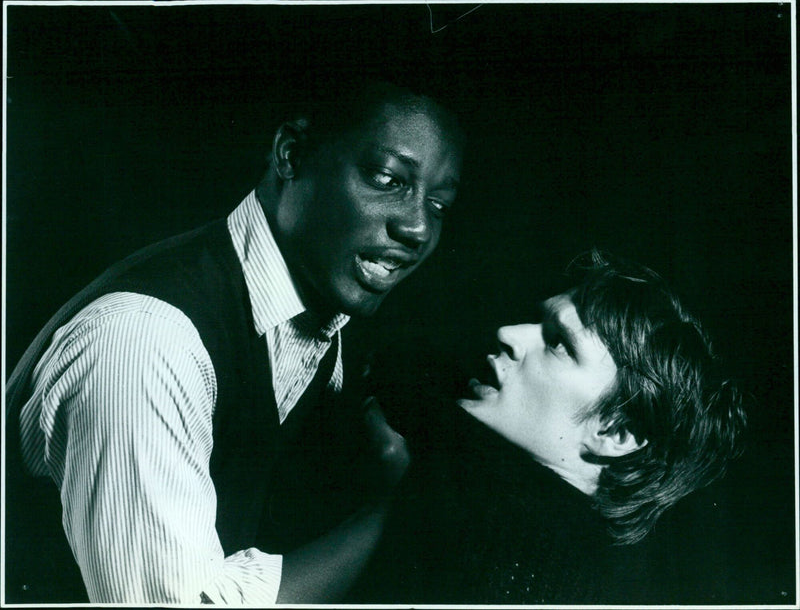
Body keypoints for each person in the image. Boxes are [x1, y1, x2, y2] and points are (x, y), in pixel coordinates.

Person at [4, 78, 464, 604]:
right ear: (291, 155)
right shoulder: (147, 345)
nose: (419, 229)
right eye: (387, 179)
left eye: (441, 205)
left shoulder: (322, 325)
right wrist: (401, 509)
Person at [347, 250, 747, 605]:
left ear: (615, 433)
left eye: (559, 344)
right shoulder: (574, 556)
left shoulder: (498, 539)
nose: (509, 335)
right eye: (538, 322)